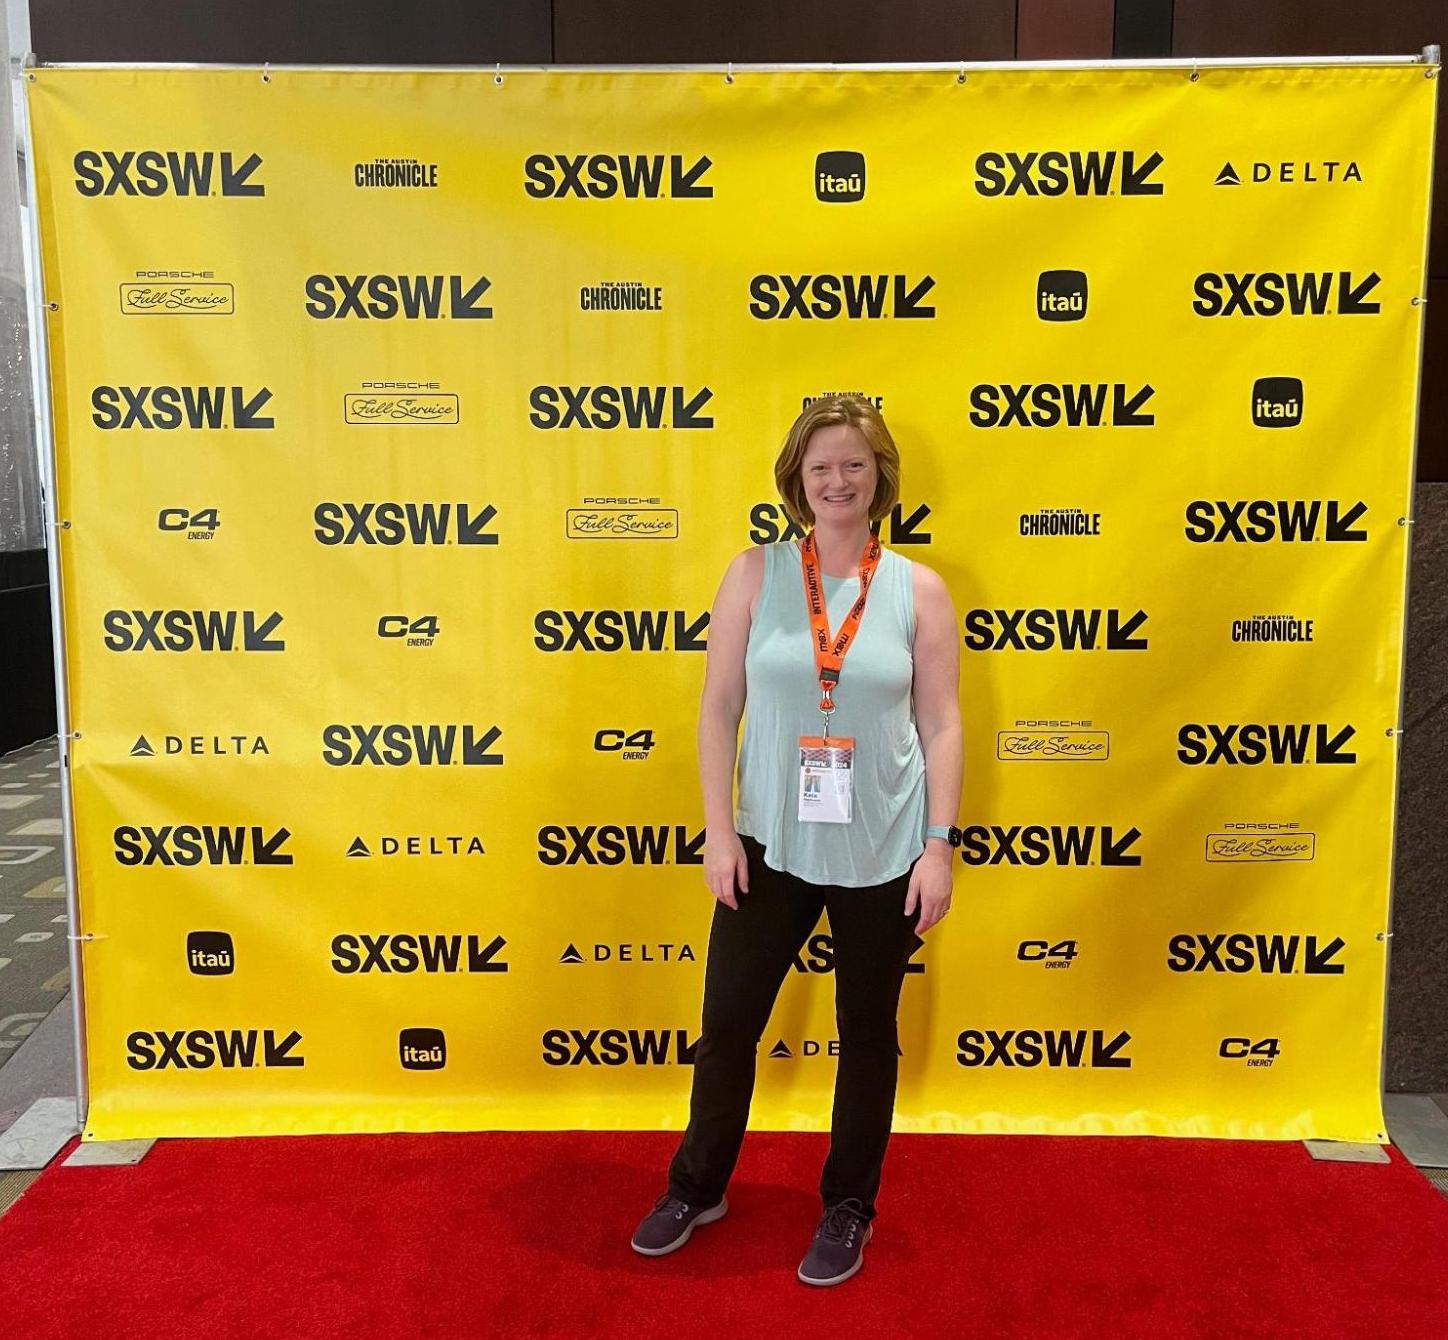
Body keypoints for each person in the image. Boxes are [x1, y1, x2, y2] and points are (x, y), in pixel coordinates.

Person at [631, 394, 963, 1285]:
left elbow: (941, 724)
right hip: (767, 842)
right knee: (728, 1024)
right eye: (821, 467)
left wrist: (939, 846)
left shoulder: (919, 589)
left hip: (883, 848)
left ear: (880, 476)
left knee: (866, 1034)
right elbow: (719, 707)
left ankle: (849, 1208)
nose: (838, 480)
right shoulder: (754, 573)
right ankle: (696, 1186)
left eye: (854, 464)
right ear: (796, 481)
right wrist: (716, 831)